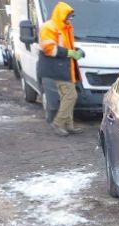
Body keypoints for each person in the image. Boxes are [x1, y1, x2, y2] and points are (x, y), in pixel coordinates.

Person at [38, 1, 84, 136]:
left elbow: (66, 47)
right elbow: (48, 48)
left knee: (68, 96)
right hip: (56, 69)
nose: (71, 19)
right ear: (61, 15)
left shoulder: (65, 28)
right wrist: (70, 53)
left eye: (72, 17)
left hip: (63, 69)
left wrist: (77, 51)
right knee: (70, 96)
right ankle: (58, 123)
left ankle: (68, 125)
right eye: (69, 16)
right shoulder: (49, 27)